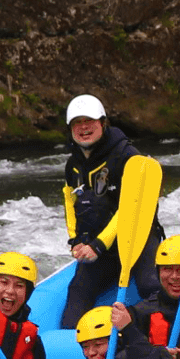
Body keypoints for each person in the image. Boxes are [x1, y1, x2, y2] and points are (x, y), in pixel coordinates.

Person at [60, 93, 165, 326]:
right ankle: (73, 348)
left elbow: (131, 207)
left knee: (150, 284)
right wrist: (76, 240)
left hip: (138, 237)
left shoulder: (127, 156)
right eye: (78, 122)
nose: (84, 127)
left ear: (103, 123)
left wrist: (98, 245)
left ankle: (159, 341)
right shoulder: (73, 164)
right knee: (78, 290)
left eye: (90, 121)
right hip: (100, 245)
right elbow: (70, 201)